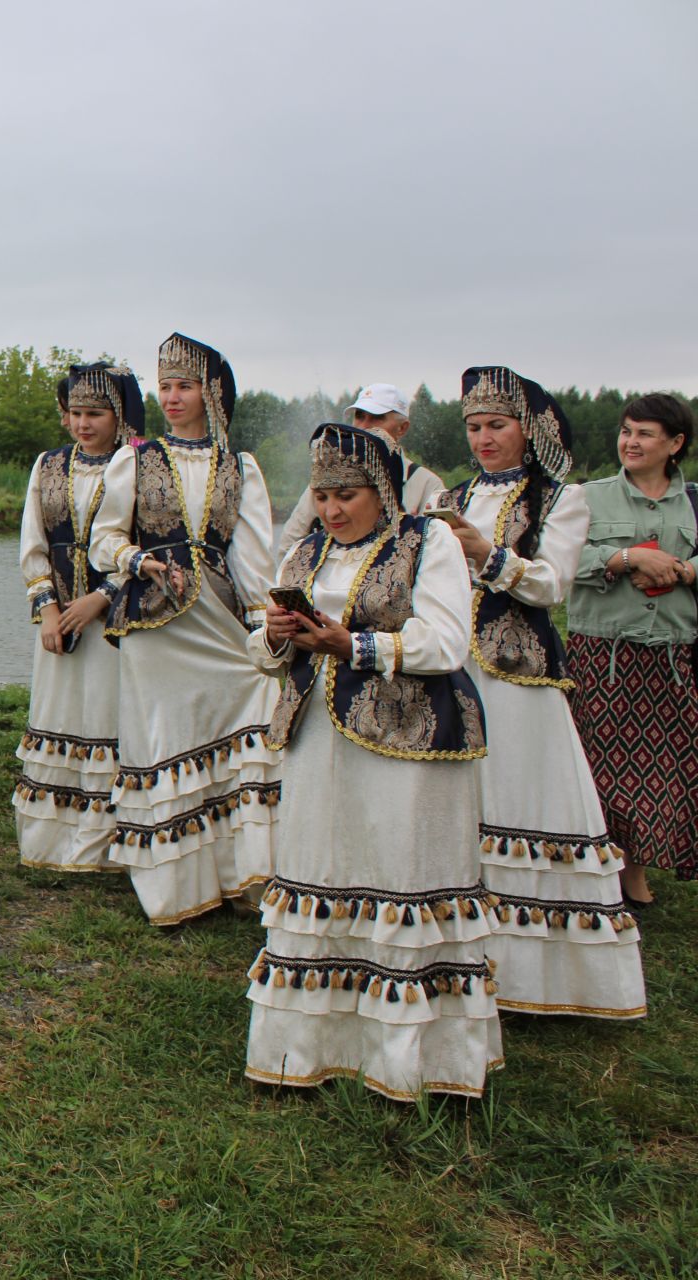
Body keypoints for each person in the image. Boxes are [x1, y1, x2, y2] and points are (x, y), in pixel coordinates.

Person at [245, 422, 501, 1100]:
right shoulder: (305, 551)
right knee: (326, 868)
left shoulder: (427, 540)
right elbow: (266, 652)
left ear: (382, 490)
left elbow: (445, 640)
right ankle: (308, 1050)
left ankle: (412, 1061)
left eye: (347, 494)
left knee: (397, 872)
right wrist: (274, 636)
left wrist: (350, 644)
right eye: (322, 493)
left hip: (410, 743)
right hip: (319, 745)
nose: (332, 508)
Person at [439, 365, 646, 1019]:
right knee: (460, 807)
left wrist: (488, 555)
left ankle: (540, 977)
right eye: (474, 427)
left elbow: (553, 585)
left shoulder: (562, 498)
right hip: (455, 669)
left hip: (519, 673)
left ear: (525, 431)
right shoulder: (454, 494)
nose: (484, 438)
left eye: (496, 425)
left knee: (525, 801)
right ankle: (460, 958)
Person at [87, 333, 282, 925]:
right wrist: (136, 562)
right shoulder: (135, 459)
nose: (171, 397)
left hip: (219, 618)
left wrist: (264, 624)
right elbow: (104, 540)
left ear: (212, 393)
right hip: (155, 619)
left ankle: (236, 870)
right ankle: (173, 884)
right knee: (165, 736)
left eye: (184, 386)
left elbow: (253, 555)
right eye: (164, 386)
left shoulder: (240, 465)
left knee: (252, 710)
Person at [566, 393, 698, 903]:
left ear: (675, 443)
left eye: (644, 433)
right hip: (603, 657)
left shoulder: (695, 502)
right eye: (626, 431)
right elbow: (559, 565)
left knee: (665, 769)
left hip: (671, 655)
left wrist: (683, 570)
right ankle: (603, 872)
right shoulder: (585, 498)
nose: (631, 441)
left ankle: (634, 872)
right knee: (598, 767)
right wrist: (626, 558)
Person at [13, 362, 143, 872]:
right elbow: (33, 542)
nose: (83, 423)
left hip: (118, 618)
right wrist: (47, 609)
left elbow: (147, 545)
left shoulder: (138, 463)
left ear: (119, 416)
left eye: (95, 413)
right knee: (61, 712)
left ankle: (110, 842)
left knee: (109, 716)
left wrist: (102, 597)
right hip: (60, 616)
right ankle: (54, 841)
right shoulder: (47, 465)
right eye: (75, 413)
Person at [276, 383, 442, 557]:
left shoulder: (428, 484)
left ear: (402, 427)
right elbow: (288, 547)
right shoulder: (328, 480)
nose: (363, 426)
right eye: (359, 416)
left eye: (376, 418)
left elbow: (437, 553)